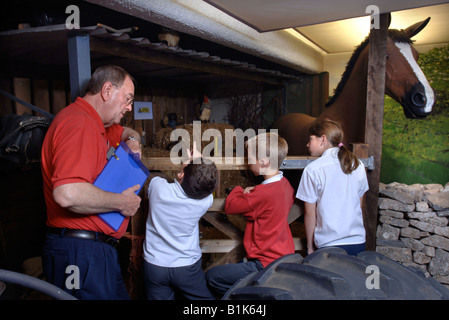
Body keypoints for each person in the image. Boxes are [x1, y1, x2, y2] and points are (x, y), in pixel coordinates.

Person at [41, 65, 143, 300]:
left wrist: (134, 140)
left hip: (96, 251)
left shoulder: (97, 124)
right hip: (79, 253)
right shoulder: (79, 124)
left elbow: (126, 131)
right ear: (107, 90)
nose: (129, 107)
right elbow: (68, 193)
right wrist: (122, 203)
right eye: (127, 99)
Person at [206, 132, 295, 298]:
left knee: (212, 277)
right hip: (284, 255)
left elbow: (231, 205)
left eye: (250, 158)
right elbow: (266, 208)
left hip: (264, 262)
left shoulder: (261, 194)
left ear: (263, 162)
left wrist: (238, 190)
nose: (247, 162)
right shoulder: (285, 186)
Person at [143, 142, 218, 300]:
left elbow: (154, 180)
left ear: (180, 175)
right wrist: (199, 159)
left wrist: (193, 162)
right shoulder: (206, 201)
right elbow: (204, 181)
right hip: (187, 267)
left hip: (155, 265)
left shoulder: (158, 188)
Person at [296, 118, 369, 256]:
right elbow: (359, 207)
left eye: (310, 139)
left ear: (322, 139)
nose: (307, 144)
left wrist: (310, 247)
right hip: (358, 242)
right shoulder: (357, 165)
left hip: (328, 245)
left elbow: (310, 214)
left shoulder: (313, 169)